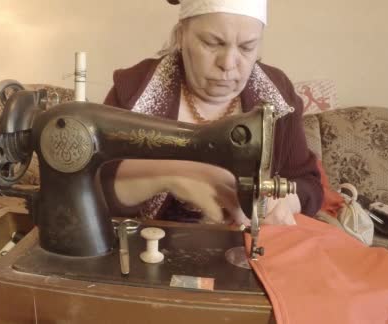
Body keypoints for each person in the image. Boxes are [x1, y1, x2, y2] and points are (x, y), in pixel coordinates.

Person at [100, 0, 322, 226]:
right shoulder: (134, 90)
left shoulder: (277, 94)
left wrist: (286, 203)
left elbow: (308, 183)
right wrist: (168, 174)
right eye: (212, 43)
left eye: (247, 47)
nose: (227, 63)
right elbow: (95, 190)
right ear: (181, 36)